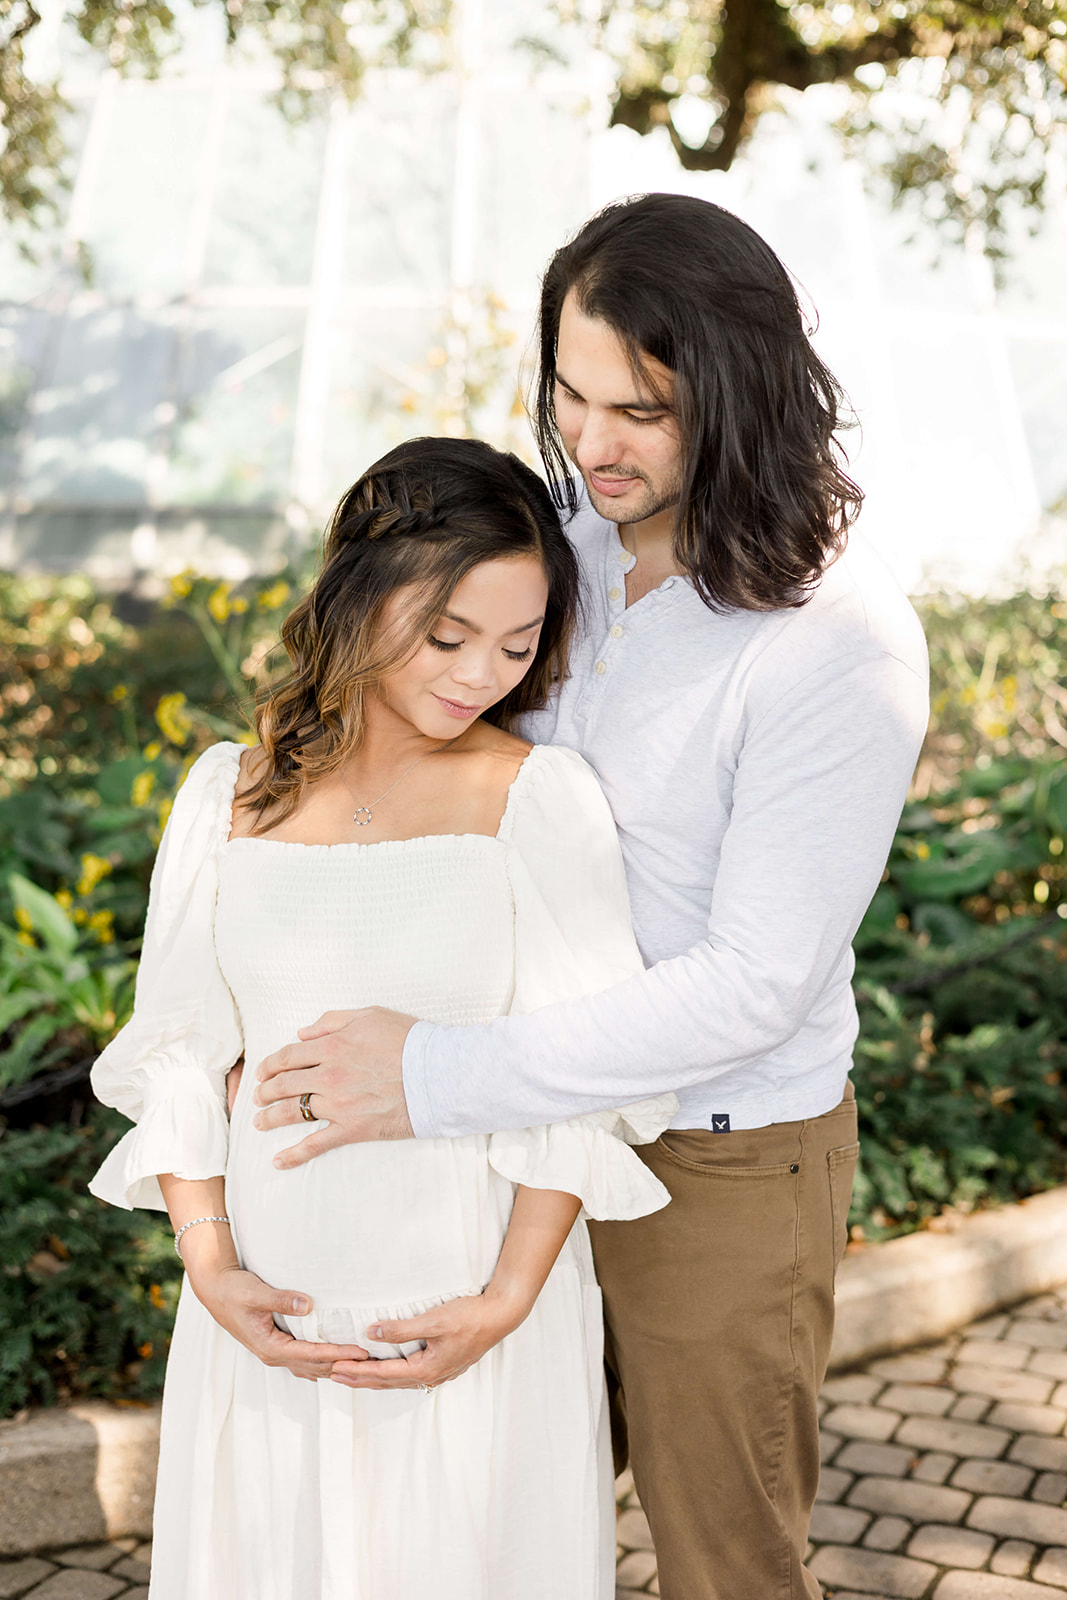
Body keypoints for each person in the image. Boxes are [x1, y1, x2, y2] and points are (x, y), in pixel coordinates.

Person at [250, 196, 931, 1600]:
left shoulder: (835, 641)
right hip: (504, 1143)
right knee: (488, 1526)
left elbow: (756, 982)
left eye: (642, 410)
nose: (591, 441)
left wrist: (429, 1072)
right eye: (568, 392)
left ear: (738, 395)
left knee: (718, 1567)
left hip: (713, 1160)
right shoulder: (553, 549)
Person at [88, 435, 676, 1600]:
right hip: (266, 1301)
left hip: (468, 1306)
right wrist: (208, 1262)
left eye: (517, 645)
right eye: (446, 636)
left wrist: (505, 1298)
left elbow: (578, 1076)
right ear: (357, 593)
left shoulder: (538, 798)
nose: (477, 676)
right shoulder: (228, 791)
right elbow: (178, 1048)